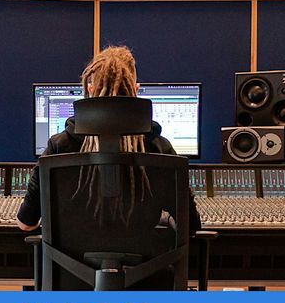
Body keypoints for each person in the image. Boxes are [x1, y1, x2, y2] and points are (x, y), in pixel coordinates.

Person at [16, 45, 201, 232]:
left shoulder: (58, 147)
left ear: (90, 89)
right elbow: (191, 225)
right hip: (139, 252)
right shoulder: (160, 149)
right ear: (135, 90)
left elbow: (26, 224)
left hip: (71, 252)